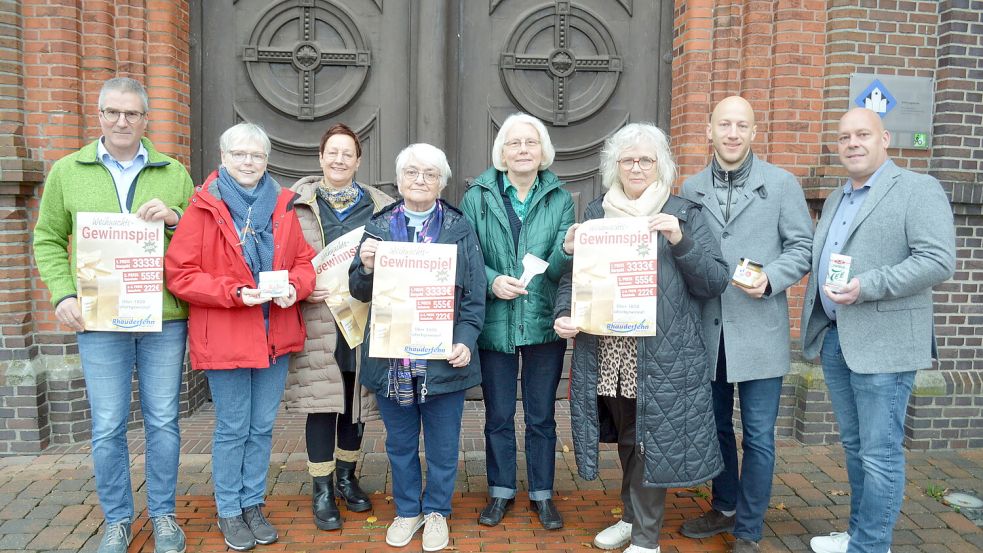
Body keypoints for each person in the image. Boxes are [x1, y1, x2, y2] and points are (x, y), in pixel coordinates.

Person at [33, 77, 194, 553]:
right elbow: (46, 239)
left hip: (163, 317)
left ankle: (163, 516)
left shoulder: (173, 172)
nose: (122, 121)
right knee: (107, 423)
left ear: (146, 119)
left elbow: (197, 240)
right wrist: (63, 295)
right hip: (99, 320)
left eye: (132, 114)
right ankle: (118, 519)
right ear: (99, 114)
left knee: (163, 419)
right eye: (112, 112)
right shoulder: (68, 171)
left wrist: (174, 218)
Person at [554, 123, 729, 553]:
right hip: (609, 349)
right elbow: (572, 280)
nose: (636, 167)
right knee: (628, 438)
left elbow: (715, 281)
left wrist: (680, 240)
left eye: (646, 159)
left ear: (661, 166)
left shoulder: (684, 213)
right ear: (615, 166)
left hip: (662, 351)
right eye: (628, 159)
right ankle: (631, 517)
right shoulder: (597, 214)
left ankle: (646, 538)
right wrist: (564, 312)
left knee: (648, 439)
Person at [801, 108, 955, 553]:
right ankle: (859, 534)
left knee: (880, 453)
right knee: (856, 449)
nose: (852, 143)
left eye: (862, 134)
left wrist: (868, 285)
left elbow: (937, 260)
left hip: (885, 345)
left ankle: (872, 546)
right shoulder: (836, 198)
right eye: (845, 136)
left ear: (884, 138)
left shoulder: (917, 189)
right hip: (837, 338)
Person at [164, 123, 316, 552]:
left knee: (262, 426)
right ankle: (229, 509)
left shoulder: (282, 205)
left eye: (257, 156)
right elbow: (180, 274)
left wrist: (295, 288)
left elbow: (305, 263)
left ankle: (253, 503)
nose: (249, 162)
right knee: (233, 428)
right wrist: (232, 293)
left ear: (267, 160)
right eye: (240, 154)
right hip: (227, 334)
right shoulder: (204, 207)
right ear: (223, 157)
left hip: (274, 334)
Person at [678, 96, 813, 553]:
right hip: (708, 329)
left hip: (759, 328)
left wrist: (773, 277)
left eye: (742, 125)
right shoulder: (691, 188)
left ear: (755, 133)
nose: (733, 133)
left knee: (758, 435)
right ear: (709, 131)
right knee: (715, 427)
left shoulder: (781, 184)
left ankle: (749, 529)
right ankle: (725, 504)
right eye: (724, 125)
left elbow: (802, 247)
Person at [349, 143, 486, 552]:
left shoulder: (460, 229)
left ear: (442, 182)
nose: (420, 180)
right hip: (393, 360)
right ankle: (408, 510)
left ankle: (437, 511)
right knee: (401, 443)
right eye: (411, 172)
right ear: (399, 180)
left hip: (443, 360)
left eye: (429, 173)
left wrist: (464, 340)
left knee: (444, 446)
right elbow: (357, 290)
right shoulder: (378, 227)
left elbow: (475, 296)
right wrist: (367, 266)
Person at [459, 113, 575, 529]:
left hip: (543, 321)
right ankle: (500, 491)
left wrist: (568, 247)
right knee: (498, 415)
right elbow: (467, 255)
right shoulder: (478, 195)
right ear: (502, 152)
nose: (523, 150)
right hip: (496, 323)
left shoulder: (561, 198)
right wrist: (492, 282)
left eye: (531, 143)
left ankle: (542, 494)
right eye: (514, 143)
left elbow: (562, 268)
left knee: (542, 415)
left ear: (543, 151)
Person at [287, 123, 394, 530]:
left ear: (358, 160)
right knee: (322, 403)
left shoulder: (381, 206)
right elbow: (284, 258)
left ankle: (347, 478)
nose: (338, 159)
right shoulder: (294, 205)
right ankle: (321, 489)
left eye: (347, 153)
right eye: (332, 152)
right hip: (318, 318)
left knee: (356, 401)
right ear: (320, 157)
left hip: (365, 317)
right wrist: (300, 287)